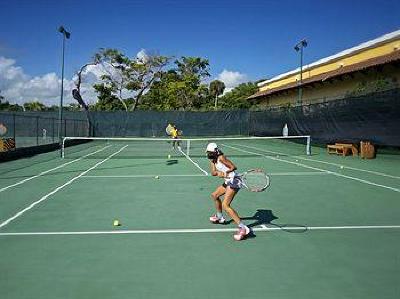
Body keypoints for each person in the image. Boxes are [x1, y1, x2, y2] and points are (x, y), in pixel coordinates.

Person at [206, 142, 251, 241]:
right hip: (228, 181)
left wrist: (226, 173)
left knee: (226, 205)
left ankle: (243, 228)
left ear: (215, 151)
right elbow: (213, 173)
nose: (208, 154)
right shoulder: (212, 160)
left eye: (210, 152)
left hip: (234, 181)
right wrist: (220, 173)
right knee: (214, 195)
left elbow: (233, 167)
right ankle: (220, 217)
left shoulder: (221, 158)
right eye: (208, 152)